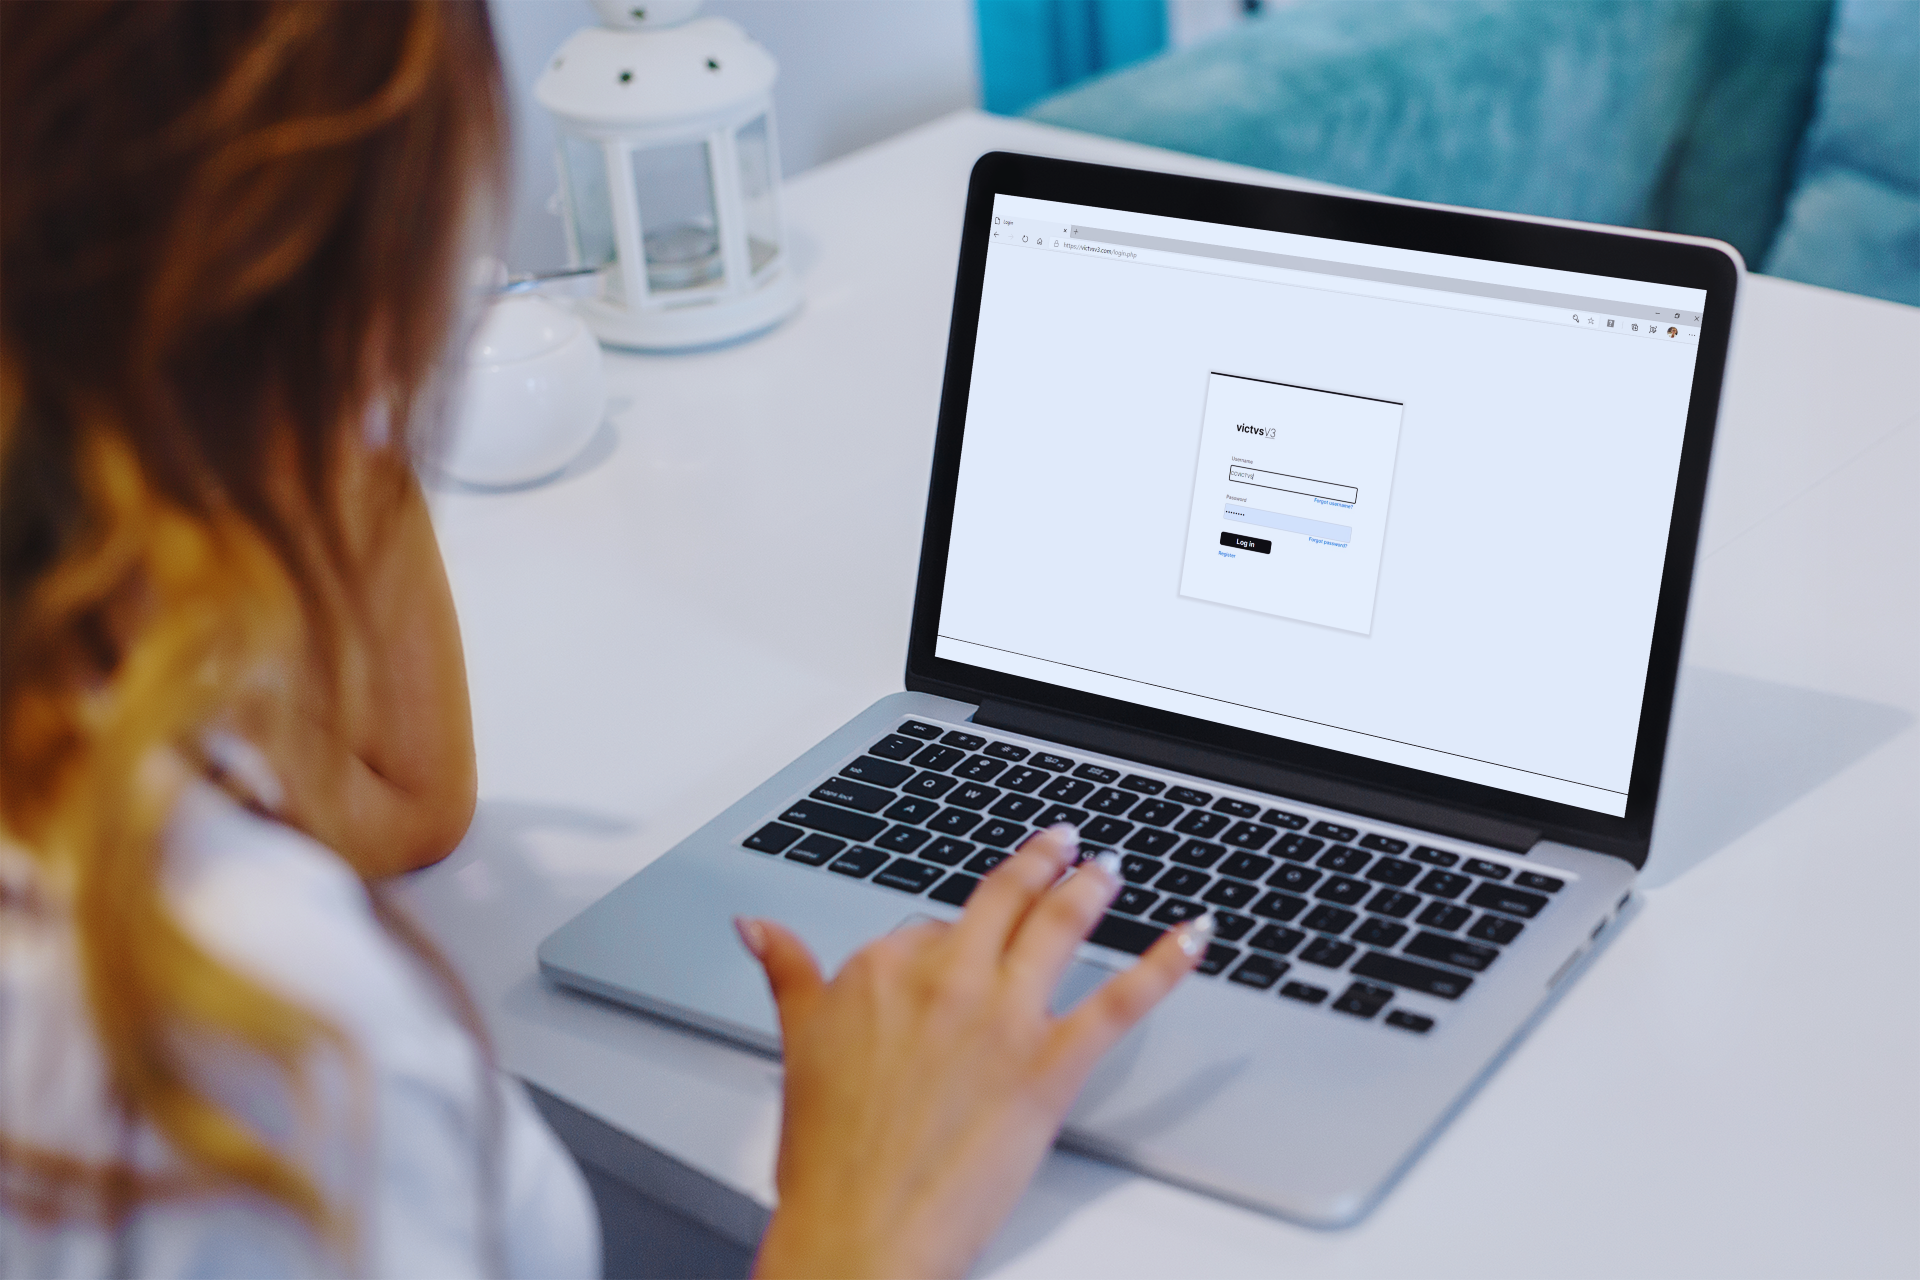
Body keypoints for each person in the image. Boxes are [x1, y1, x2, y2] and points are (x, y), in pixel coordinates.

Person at [0, 4, 1211, 1277]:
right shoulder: (245, 1034)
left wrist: (328, 386)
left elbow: (403, 801)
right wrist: (857, 1224)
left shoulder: (85, 705)